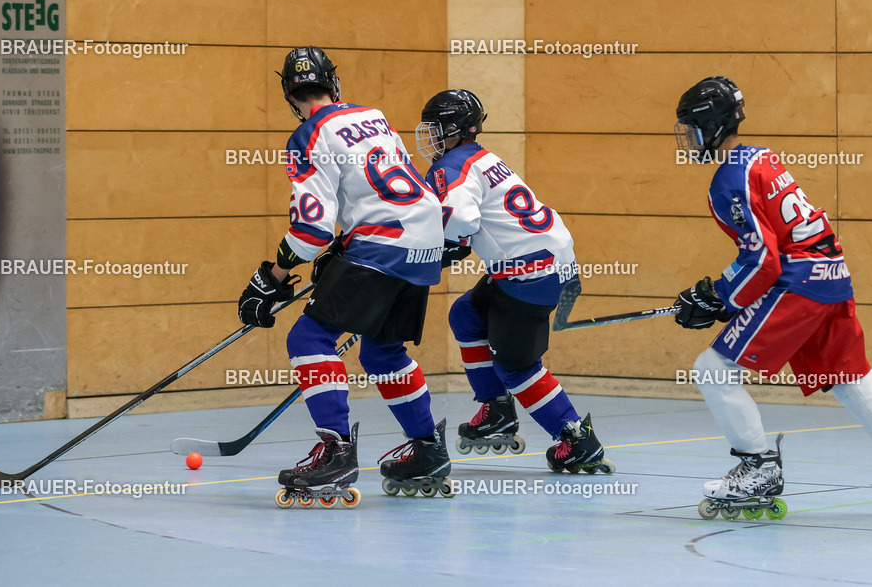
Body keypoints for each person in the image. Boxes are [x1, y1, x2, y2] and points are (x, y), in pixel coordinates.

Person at [672, 75, 872, 518]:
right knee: (851, 380)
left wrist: (720, 296)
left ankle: (758, 468)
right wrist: (719, 294)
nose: (688, 139)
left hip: (801, 284)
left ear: (711, 125)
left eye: (692, 128)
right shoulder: (761, 158)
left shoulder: (728, 179)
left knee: (712, 370)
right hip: (833, 277)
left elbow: (763, 259)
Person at [238, 46, 453, 506]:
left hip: (382, 242)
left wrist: (270, 278)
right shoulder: (373, 115)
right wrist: (345, 243)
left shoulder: (307, 135)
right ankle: (428, 450)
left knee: (309, 339)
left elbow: (311, 231)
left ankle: (335, 452)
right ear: (334, 84)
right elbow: (384, 189)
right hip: (426, 239)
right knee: (382, 350)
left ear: (290, 97)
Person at [416, 89, 614, 474]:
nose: (430, 136)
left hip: (528, 272)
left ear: (454, 129)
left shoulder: (449, 166)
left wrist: (430, 248)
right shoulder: (482, 157)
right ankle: (497, 410)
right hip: (545, 261)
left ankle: (576, 438)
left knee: (516, 366)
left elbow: (460, 221)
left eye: (435, 128)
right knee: (466, 314)